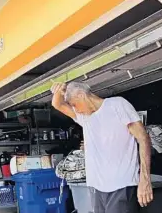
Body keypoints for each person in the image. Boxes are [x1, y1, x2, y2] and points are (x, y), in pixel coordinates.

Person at [51, 81, 153, 213]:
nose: (75, 109)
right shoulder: (84, 117)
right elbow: (57, 104)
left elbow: (143, 138)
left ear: (81, 95)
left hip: (121, 186)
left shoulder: (117, 105)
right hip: (97, 188)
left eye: (74, 104)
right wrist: (59, 91)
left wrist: (144, 180)